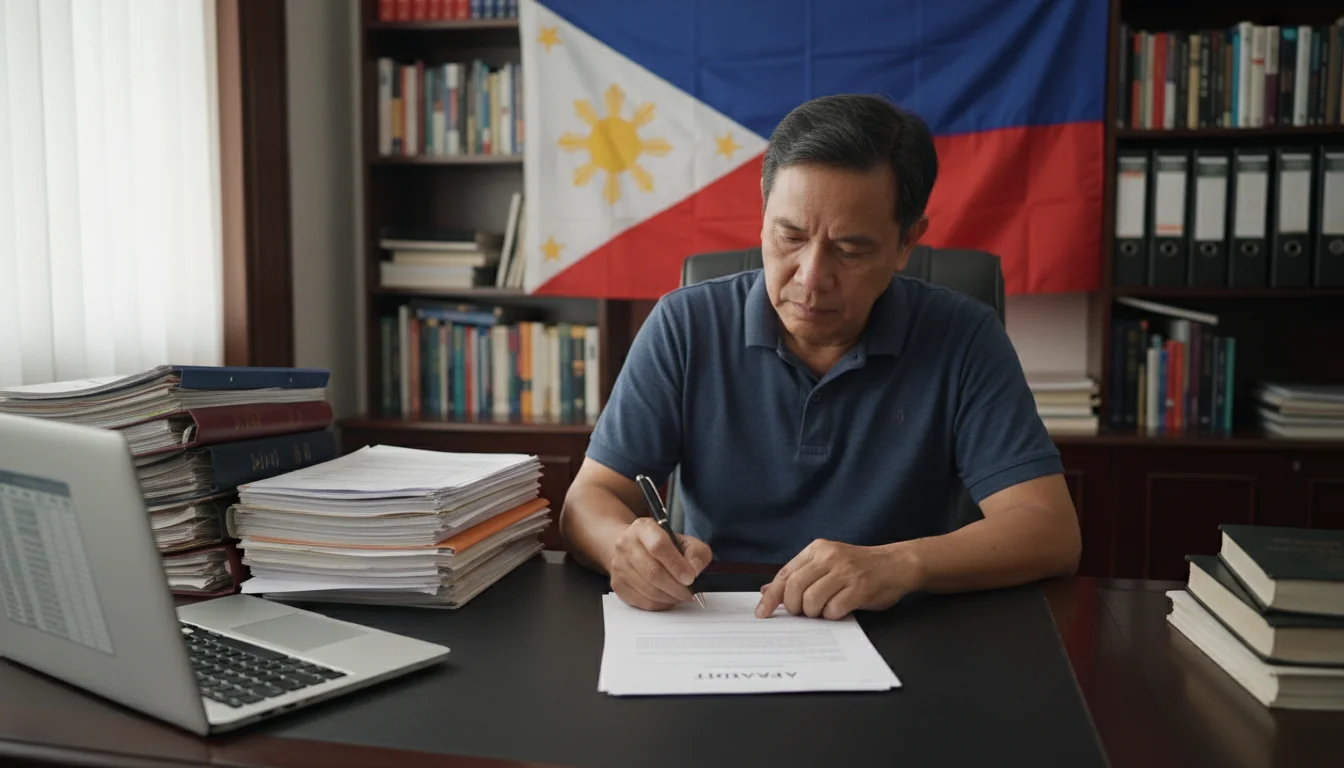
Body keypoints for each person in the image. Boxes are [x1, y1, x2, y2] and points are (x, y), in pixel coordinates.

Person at [559, 93, 1081, 621]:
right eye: (789, 237)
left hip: (896, 630)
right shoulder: (685, 325)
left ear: (906, 245)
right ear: (762, 220)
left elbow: (1050, 529)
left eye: (851, 250)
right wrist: (622, 549)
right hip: (718, 619)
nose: (811, 277)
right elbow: (589, 500)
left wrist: (902, 563)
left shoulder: (964, 337)